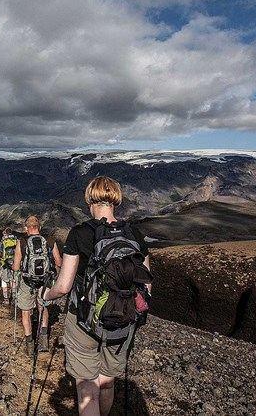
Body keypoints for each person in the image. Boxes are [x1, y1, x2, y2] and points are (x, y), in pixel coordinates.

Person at [41, 176, 151, 416]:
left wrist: (45, 294)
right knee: (108, 381)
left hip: (84, 321)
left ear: (90, 199)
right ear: (116, 201)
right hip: (123, 320)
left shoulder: (80, 233)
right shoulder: (135, 234)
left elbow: (63, 286)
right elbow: (146, 285)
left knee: (87, 386)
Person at [12, 216, 62, 355]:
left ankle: (29, 345)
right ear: (39, 227)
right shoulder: (50, 241)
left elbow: (16, 267)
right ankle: (43, 341)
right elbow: (58, 262)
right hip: (45, 282)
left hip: (27, 282)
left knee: (26, 311)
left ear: (26, 228)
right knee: (43, 307)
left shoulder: (21, 242)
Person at [0, 228, 18, 305]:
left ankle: (6, 300)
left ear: (5, 233)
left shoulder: (2, 242)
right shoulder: (16, 241)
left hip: (5, 264)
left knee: (4, 282)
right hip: (14, 264)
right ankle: (14, 299)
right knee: (13, 281)